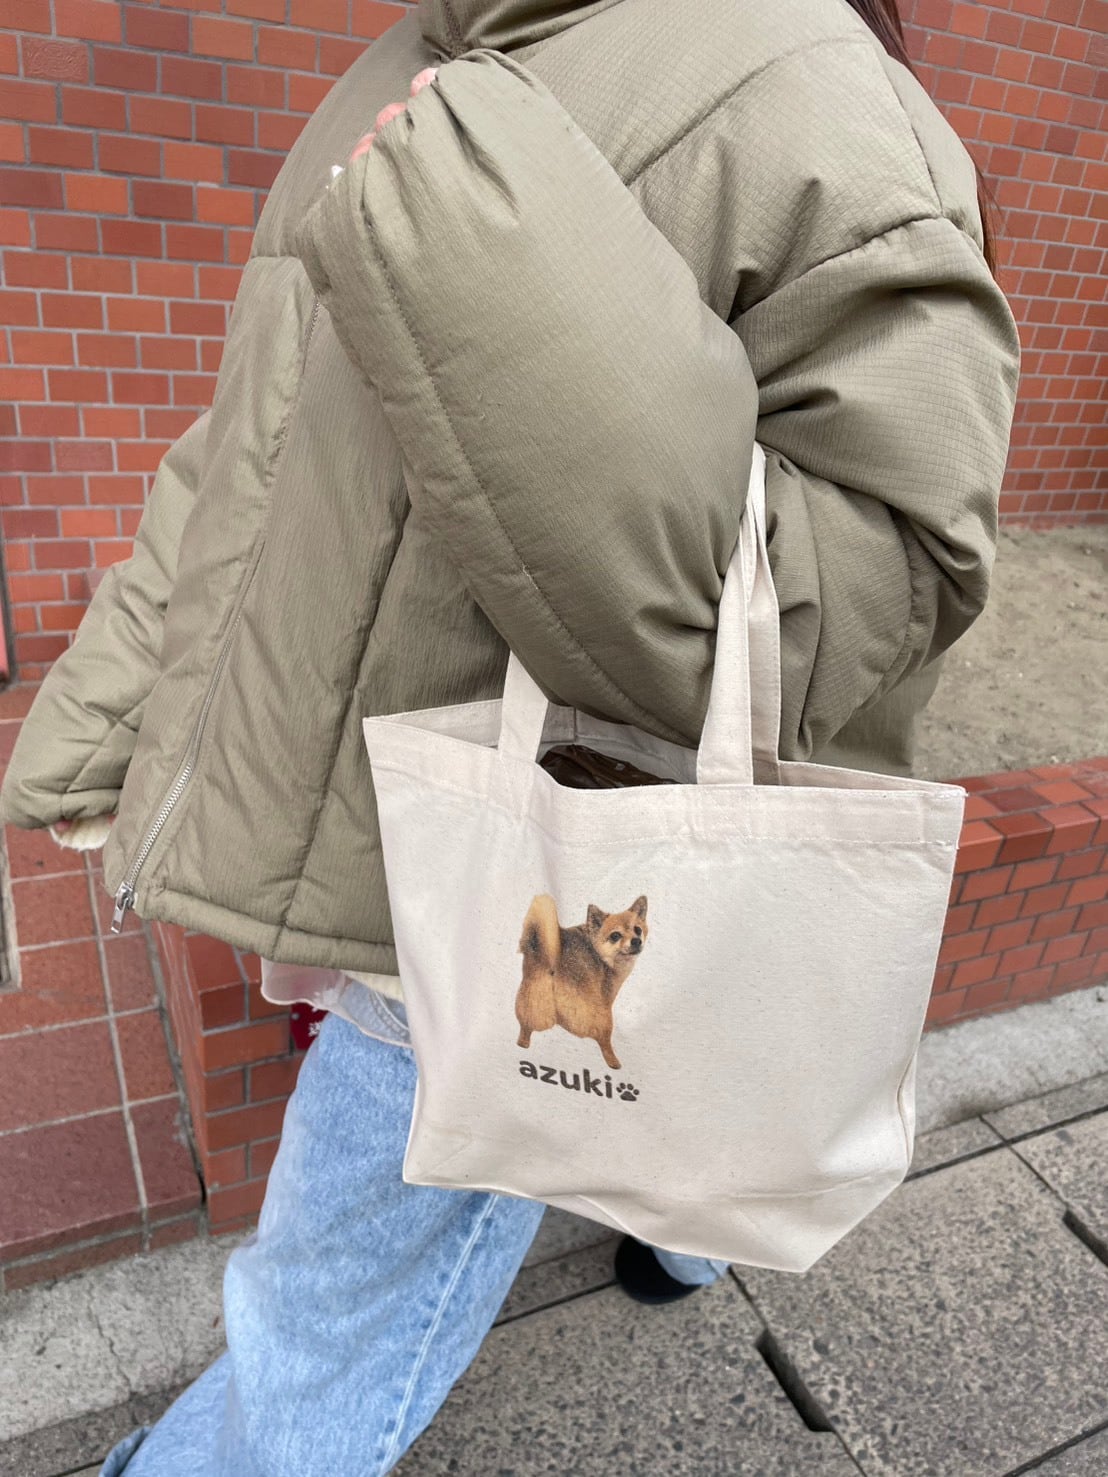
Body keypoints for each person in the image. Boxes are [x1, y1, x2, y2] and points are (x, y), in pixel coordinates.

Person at [1, 0, 1019, 1470]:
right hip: (392, 827)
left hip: (491, 896)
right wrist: (118, 697)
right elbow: (258, 444)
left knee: (322, 1324)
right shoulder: (419, 49)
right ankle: (689, 1226)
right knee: (631, 1089)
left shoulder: (813, 90)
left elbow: (890, 567)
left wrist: (510, 295)